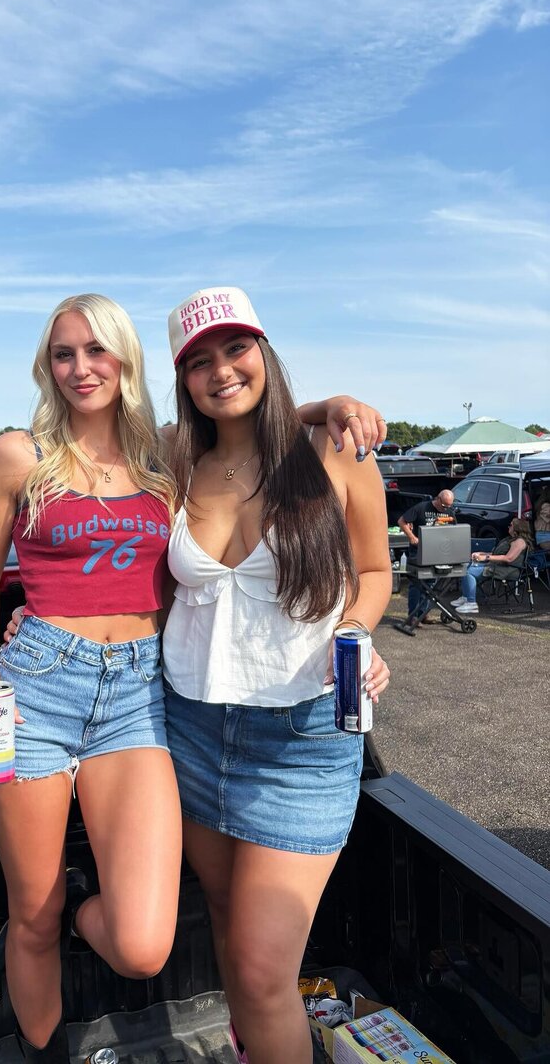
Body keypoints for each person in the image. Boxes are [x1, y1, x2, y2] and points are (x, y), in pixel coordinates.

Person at [0, 292, 387, 1063]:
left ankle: (219, 1008)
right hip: (109, 705)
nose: (81, 367)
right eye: (64, 353)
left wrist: (330, 407)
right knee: (70, 913)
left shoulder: (238, 455)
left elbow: (362, 555)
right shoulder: (94, 456)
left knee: (199, 955)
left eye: (98, 350)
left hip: (210, 715)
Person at [161, 286, 391, 1064]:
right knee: (229, 924)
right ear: (183, 379)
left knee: (263, 971)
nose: (221, 370)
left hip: (302, 740)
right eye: (199, 361)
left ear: (264, 351)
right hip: (193, 727)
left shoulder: (334, 451)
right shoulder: (175, 460)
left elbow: (374, 569)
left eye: (236, 349)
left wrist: (355, 630)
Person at [394, 490, 456, 635]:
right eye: (444, 506)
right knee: (417, 584)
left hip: (438, 552)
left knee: (430, 583)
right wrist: (411, 537)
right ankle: (412, 616)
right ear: (438, 499)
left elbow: (454, 530)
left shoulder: (449, 512)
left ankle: (423, 614)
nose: (446, 509)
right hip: (419, 551)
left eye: (449, 506)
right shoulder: (422, 508)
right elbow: (401, 521)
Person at [451, 518, 533, 614]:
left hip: (508, 570)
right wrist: (481, 554)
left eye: (511, 525)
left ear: (517, 528)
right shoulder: (510, 539)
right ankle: (465, 597)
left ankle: (471, 603)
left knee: (469, 572)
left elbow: (509, 558)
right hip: (498, 566)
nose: (508, 527)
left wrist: (486, 557)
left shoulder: (520, 542)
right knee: (466, 566)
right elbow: (496, 554)